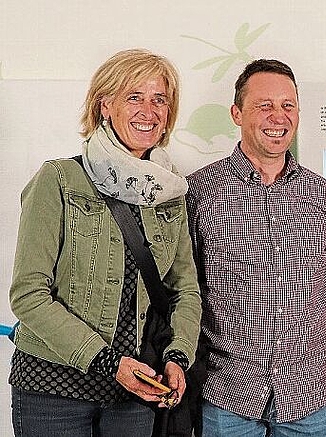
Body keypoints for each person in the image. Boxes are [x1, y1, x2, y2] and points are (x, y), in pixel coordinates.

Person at [8, 49, 202, 436]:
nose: (148, 110)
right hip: (53, 387)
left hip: (135, 391)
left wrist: (178, 356)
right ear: (105, 106)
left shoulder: (170, 193)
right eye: (134, 97)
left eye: (159, 100)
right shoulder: (58, 180)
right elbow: (29, 294)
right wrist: (107, 362)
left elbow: (185, 290)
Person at [186, 59, 326, 437]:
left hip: (309, 395)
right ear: (237, 113)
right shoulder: (199, 192)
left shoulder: (322, 194)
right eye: (264, 105)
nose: (279, 116)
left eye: (288, 106)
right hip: (229, 393)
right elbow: (185, 290)